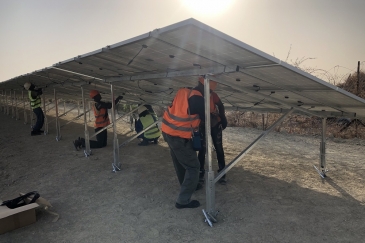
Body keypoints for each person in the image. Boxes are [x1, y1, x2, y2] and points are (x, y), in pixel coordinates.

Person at [161, 76, 217, 209]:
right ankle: (183, 200)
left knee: (180, 162)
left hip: (167, 131)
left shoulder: (184, 91)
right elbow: (209, 120)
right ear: (207, 89)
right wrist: (217, 117)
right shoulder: (198, 99)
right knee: (193, 167)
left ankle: (188, 184)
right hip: (178, 136)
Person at [196, 76, 228, 185]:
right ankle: (200, 173)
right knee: (202, 149)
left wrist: (223, 118)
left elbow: (221, 106)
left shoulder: (213, 95)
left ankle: (222, 173)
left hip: (214, 122)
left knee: (219, 148)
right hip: (203, 123)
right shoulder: (197, 95)